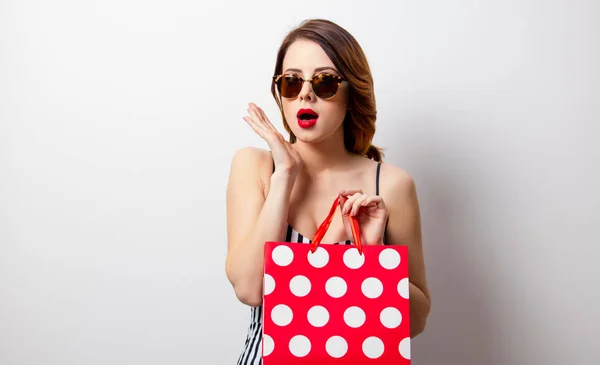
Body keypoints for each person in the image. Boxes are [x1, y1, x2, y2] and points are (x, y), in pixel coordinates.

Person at [225, 19, 431, 364]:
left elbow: (418, 319)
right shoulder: (256, 167)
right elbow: (249, 288)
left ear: (353, 94)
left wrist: (374, 258)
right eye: (292, 82)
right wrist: (285, 174)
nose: (305, 93)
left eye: (324, 82)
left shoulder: (391, 184)